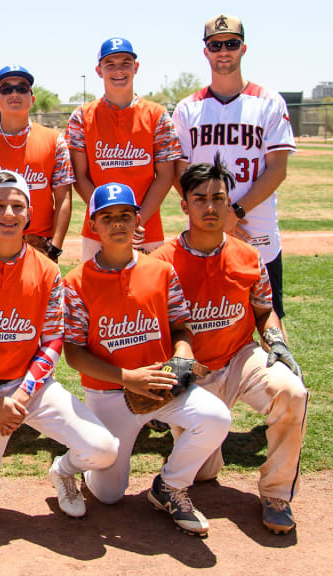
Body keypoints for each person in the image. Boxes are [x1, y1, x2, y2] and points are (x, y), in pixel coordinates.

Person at [0, 170, 118, 517]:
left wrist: (18, 399)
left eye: (18, 206)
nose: (9, 214)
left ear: (30, 214)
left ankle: (63, 472)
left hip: (33, 387)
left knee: (104, 449)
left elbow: (52, 341)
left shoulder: (47, 271)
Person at [62, 182, 231, 536]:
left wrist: (182, 356)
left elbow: (180, 328)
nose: (117, 223)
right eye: (107, 217)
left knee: (216, 416)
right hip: (109, 393)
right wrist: (128, 377)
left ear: (139, 221)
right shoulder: (77, 282)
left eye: (125, 215)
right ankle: (70, 464)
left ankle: (170, 486)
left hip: (161, 387)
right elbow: (74, 354)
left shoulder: (161, 271)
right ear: (93, 226)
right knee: (108, 495)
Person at [152, 156, 307, 534]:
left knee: (292, 392)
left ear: (227, 202)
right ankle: (192, 464)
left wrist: (277, 344)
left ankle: (276, 493)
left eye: (218, 198)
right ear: (184, 204)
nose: (210, 206)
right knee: (204, 473)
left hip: (240, 358)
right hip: (193, 371)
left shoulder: (249, 255)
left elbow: (264, 310)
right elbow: (155, 327)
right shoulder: (161, 262)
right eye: (200, 198)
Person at [171, 14, 297, 321]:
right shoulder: (189, 108)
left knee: (270, 316)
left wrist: (234, 213)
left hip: (258, 227)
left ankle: (282, 369)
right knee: (206, 317)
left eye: (231, 43)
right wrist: (211, 214)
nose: (223, 50)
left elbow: (277, 169)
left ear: (243, 48)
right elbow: (181, 172)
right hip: (206, 228)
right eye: (215, 45)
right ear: (206, 51)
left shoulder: (269, 102)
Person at [67, 38, 181, 261]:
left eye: (125, 62)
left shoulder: (157, 116)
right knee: (96, 293)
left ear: (135, 67)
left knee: (147, 293)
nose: (118, 70)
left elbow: (166, 175)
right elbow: (79, 176)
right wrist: (106, 218)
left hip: (145, 228)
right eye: (110, 64)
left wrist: (136, 221)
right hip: (98, 228)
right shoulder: (81, 117)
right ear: (99, 71)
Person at [0, 65, 73, 263]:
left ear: (32, 98)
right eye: (6, 89)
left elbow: (63, 198)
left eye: (22, 88)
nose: (14, 93)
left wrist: (54, 248)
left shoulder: (54, 141)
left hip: (42, 245)